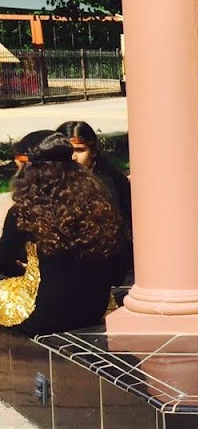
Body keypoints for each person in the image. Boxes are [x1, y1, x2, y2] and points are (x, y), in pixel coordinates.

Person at [0, 134, 122, 334]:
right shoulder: (98, 203)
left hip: (43, 317)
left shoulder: (24, 211)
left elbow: (4, 259)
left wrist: (23, 270)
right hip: (93, 309)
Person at [55, 120, 133, 281]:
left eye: (80, 150)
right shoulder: (53, 180)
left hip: (105, 264)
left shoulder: (108, 183)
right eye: (67, 151)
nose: (73, 157)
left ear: (93, 151)